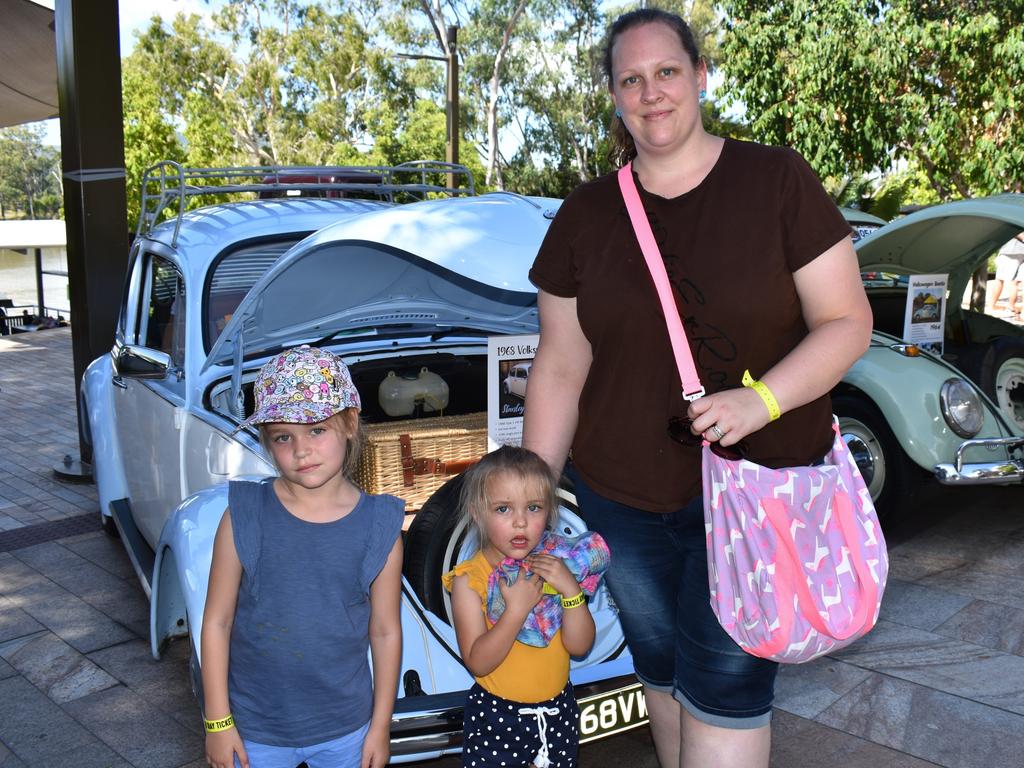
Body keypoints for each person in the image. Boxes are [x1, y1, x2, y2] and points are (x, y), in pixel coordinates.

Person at [522, 8, 873, 768]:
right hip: (623, 498)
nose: (652, 93)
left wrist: (763, 400)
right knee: (665, 673)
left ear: (701, 75)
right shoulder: (584, 216)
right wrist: (533, 490)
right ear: (614, 96)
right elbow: (559, 362)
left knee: (723, 689)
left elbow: (847, 321)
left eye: (667, 72)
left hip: (758, 495)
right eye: (631, 79)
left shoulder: (776, 180)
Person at [201, 345, 404, 768]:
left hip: (348, 728)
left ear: (350, 423)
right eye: (283, 436)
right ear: (267, 442)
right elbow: (216, 622)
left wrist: (380, 727)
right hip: (255, 728)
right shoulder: (242, 516)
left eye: (316, 430)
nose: (301, 450)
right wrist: (217, 721)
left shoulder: (380, 526)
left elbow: (385, 632)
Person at [443, 446, 604, 768]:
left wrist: (570, 590)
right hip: (498, 718)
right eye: (503, 509)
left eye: (533, 508)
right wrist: (516, 611)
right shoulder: (469, 580)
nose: (520, 522)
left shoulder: (555, 564)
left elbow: (580, 645)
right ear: (477, 511)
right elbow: (478, 662)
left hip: (558, 712)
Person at [988, 231, 1024, 318]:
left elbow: (1017, 230)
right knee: (1015, 282)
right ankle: (1012, 306)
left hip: (1012, 250)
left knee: (1001, 279)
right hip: (1018, 250)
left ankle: (994, 306)